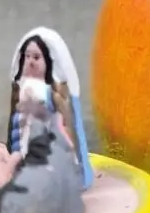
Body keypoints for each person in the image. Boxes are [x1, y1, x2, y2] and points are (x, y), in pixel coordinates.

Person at [7, 27, 94, 190]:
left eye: (36, 57)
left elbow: (58, 122)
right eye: (27, 56)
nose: (30, 61)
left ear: (47, 61)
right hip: (24, 143)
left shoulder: (49, 92)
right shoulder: (21, 87)